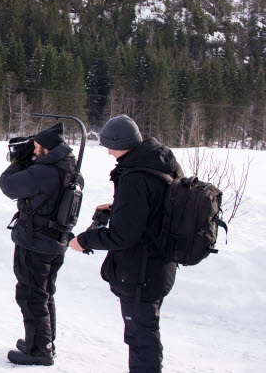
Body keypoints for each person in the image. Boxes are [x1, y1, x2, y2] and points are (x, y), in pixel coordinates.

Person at [69, 115, 182, 373]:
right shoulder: (160, 160)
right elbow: (156, 207)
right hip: (160, 263)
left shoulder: (135, 176)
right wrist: (119, 207)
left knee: (141, 338)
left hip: (141, 271)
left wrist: (84, 240)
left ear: (122, 143)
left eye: (109, 145)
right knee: (145, 332)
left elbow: (123, 236)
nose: (108, 152)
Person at [0, 122, 79, 366]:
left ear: (46, 149)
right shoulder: (69, 168)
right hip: (55, 240)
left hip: (36, 241)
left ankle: (39, 351)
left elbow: (7, 185)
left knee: (31, 294)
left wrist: (18, 162)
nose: (33, 151)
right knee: (45, 293)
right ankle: (43, 340)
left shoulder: (45, 172)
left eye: (36, 148)